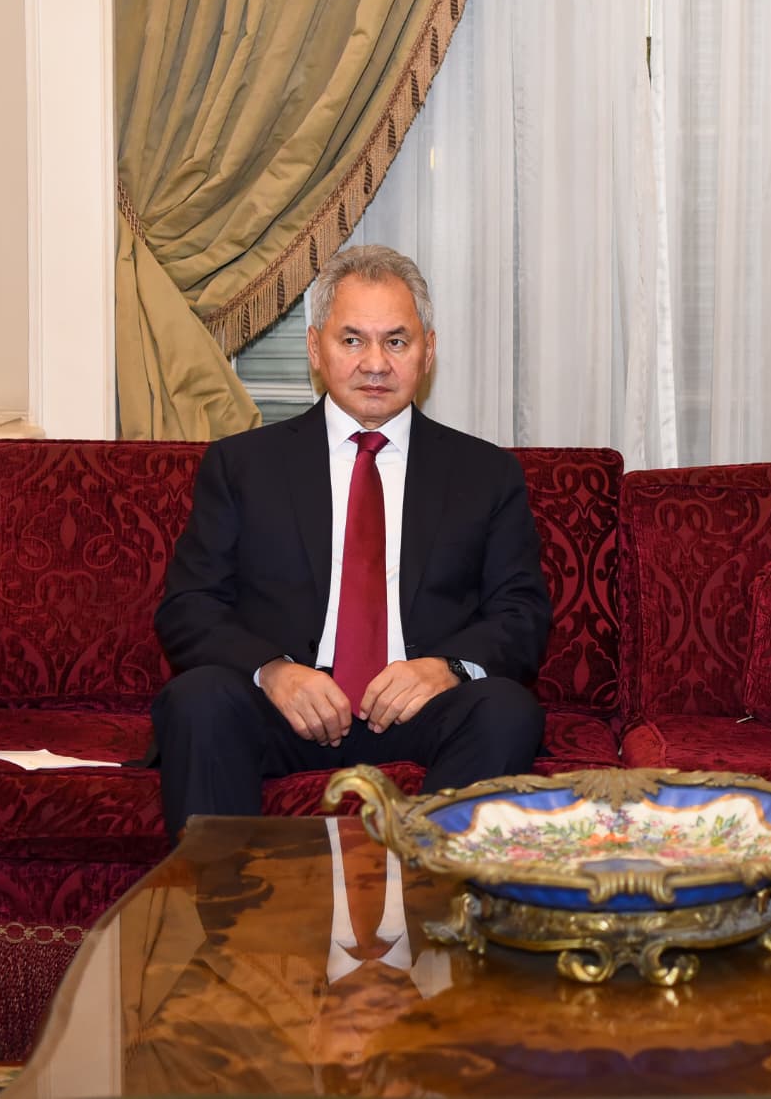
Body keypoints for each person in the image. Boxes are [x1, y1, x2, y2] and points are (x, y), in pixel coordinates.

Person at [152, 245, 552, 837]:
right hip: (285, 708)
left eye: (396, 341)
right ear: (316, 349)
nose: (375, 363)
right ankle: (229, 897)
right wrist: (274, 672)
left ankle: (427, 888)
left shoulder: (484, 474)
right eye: (352, 340)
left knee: (507, 710)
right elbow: (189, 607)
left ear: (428, 351)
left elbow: (521, 613)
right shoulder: (243, 466)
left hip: (420, 708)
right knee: (198, 699)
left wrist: (444, 669)